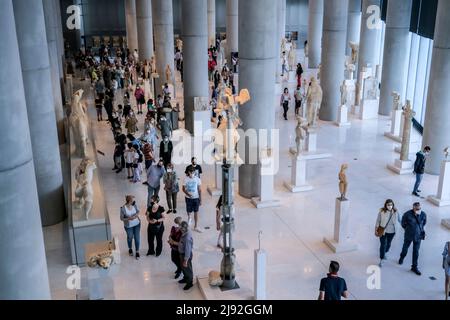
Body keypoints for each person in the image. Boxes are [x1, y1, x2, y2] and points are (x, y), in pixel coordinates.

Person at [399, 202, 427, 275]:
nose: (418, 210)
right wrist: (408, 229)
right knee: (405, 248)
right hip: (409, 235)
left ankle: (414, 267)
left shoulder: (423, 214)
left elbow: (424, 223)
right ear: (413, 208)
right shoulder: (407, 214)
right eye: (417, 209)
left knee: (416, 252)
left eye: (419, 208)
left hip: (418, 236)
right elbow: (403, 224)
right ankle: (402, 257)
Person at [375, 199, 400, 267]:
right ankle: (381, 259)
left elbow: (399, 220)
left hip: (392, 232)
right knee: (383, 245)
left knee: (388, 244)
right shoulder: (382, 211)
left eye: (391, 204)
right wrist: (376, 229)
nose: (390, 206)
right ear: (386, 205)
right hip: (383, 231)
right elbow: (378, 221)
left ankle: (385, 253)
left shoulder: (395, 211)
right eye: (388, 205)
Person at [183, 168, 202, 232]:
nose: (192, 174)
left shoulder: (197, 179)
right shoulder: (186, 179)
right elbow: (183, 189)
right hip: (188, 198)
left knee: (196, 212)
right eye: (191, 173)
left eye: (193, 173)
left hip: (196, 198)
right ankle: (189, 217)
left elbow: (199, 190)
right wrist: (187, 194)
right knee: (188, 210)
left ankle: (196, 226)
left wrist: (200, 199)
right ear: (188, 172)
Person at [178, 221, 194, 290]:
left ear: (184, 229)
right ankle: (185, 278)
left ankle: (190, 283)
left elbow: (187, 250)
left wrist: (185, 260)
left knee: (188, 269)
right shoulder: (184, 234)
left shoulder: (187, 238)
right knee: (184, 268)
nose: (180, 230)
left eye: (181, 228)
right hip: (182, 254)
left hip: (185, 255)